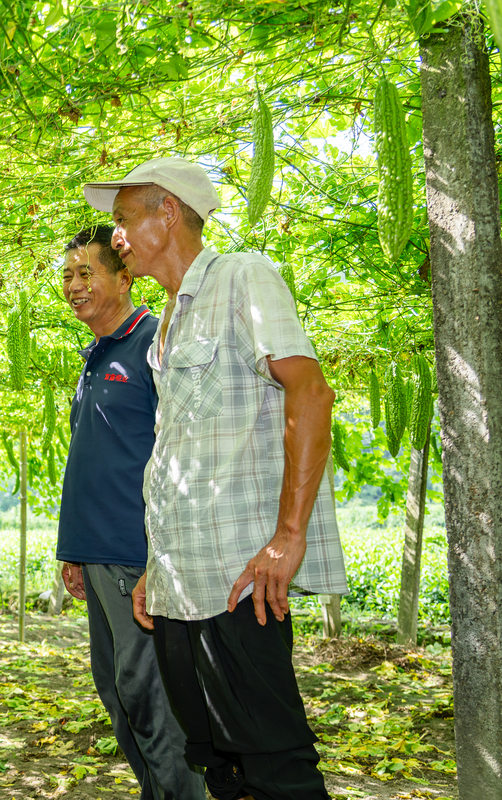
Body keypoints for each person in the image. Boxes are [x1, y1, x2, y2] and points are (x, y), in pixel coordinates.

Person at [83, 157, 348, 800]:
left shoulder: (240, 276)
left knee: (275, 768)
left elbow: (309, 393)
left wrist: (288, 538)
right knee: (219, 768)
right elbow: (178, 455)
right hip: (179, 586)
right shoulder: (165, 324)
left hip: (238, 581)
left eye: (121, 220)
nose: (114, 236)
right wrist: (156, 566)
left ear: (166, 212)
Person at [56, 225, 206, 800]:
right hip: (97, 557)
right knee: (119, 694)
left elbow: (180, 456)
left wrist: (158, 559)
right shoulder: (94, 354)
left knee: (151, 698)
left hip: (137, 558)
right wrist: (73, 550)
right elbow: (97, 458)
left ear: (125, 276)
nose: (73, 285)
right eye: (67, 274)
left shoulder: (154, 342)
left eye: (85, 272)